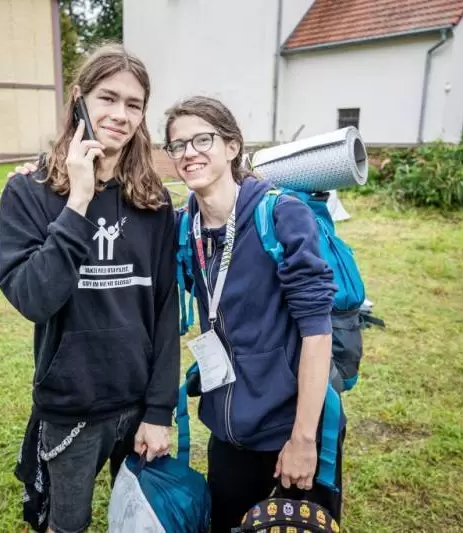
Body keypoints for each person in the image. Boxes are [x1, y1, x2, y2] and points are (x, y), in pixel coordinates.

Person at [0, 44, 180, 533]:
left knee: (138, 525)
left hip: (139, 403)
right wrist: (78, 201)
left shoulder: (153, 201)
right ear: (79, 99)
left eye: (134, 104)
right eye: (108, 98)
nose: (120, 115)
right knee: (67, 525)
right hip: (71, 404)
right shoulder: (30, 192)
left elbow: (165, 311)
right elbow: (33, 298)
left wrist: (159, 410)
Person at [163, 95, 345, 532]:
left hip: (289, 427)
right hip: (228, 431)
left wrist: (303, 440)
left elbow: (317, 333)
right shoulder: (184, 226)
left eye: (202, 139)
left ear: (232, 146)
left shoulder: (281, 215)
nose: (189, 153)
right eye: (178, 145)